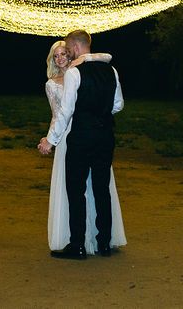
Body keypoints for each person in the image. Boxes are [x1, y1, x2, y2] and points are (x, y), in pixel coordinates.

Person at [40, 32, 127, 259]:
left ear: (76, 47)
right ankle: (104, 244)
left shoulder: (75, 73)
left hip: (80, 138)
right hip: (106, 137)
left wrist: (50, 140)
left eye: (68, 49)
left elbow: (66, 110)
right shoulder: (112, 71)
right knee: (101, 189)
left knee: (76, 191)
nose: (67, 54)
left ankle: (77, 245)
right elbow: (118, 105)